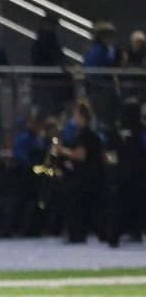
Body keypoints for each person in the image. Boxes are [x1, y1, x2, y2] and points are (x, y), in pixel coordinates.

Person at [52, 99, 109, 246]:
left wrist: (62, 150)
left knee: (72, 200)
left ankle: (77, 234)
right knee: (91, 208)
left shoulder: (85, 134)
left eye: (75, 115)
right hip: (92, 177)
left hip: (87, 178)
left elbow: (81, 155)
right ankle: (97, 232)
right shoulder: (89, 134)